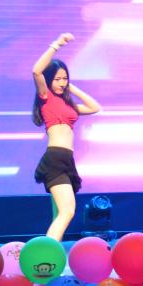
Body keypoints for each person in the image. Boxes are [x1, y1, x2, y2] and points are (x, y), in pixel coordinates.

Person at [31, 33, 101, 241]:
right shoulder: (46, 97)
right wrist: (57, 44)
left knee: (62, 212)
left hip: (67, 160)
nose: (62, 83)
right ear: (49, 80)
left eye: (65, 78)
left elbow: (94, 107)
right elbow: (36, 71)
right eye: (57, 79)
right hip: (54, 158)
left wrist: (71, 87)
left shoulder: (68, 105)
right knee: (67, 211)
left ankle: (53, 251)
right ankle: (47, 251)